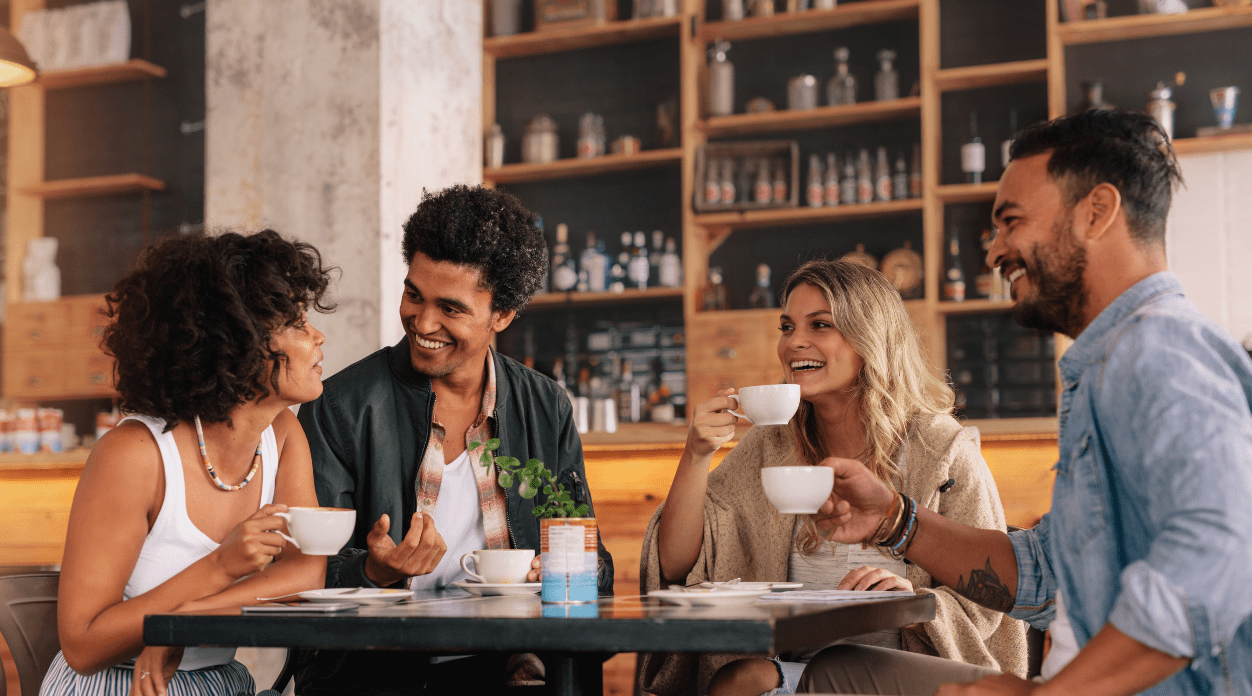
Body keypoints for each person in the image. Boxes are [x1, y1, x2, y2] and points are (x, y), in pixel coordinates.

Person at [810, 108, 1252, 696]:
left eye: (1010, 222)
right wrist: (894, 519)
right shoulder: (1110, 361)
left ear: (1097, 212)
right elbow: (1048, 575)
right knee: (836, 673)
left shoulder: (1156, 350)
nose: (994, 252)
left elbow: (1221, 550)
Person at [639, 259, 1027, 696]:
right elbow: (676, 564)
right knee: (742, 678)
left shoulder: (942, 451)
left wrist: (916, 601)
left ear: (870, 338)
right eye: (787, 327)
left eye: (820, 325)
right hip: (794, 675)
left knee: (743, 681)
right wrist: (696, 453)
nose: (794, 343)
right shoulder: (771, 445)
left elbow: (991, 594)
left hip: (910, 678)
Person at [296, 184, 614, 696]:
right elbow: (298, 573)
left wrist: (557, 571)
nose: (423, 322)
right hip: (376, 675)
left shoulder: (545, 406)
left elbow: (597, 570)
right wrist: (372, 570)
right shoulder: (340, 405)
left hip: (513, 672)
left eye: (451, 308)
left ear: (503, 315)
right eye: (413, 294)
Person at [40, 229, 334, 696]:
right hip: (119, 686)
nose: (318, 335)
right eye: (296, 323)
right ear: (239, 342)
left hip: (221, 682)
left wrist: (181, 621)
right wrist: (221, 566)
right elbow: (83, 645)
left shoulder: (283, 433)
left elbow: (302, 575)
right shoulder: (135, 454)